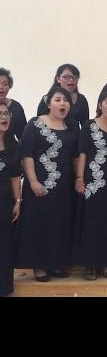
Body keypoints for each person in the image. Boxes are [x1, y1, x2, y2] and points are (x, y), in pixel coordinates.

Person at [15, 87, 80, 282]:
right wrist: (33, 181)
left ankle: (55, 263)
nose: (62, 104)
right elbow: (27, 154)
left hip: (64, 186)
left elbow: (76, 156)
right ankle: (39, 265)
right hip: (39, 184)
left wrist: (78, 178)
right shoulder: (35, 124)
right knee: (39, 224)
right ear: (49, 102)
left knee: (59, 224)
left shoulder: (72, 125)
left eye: (66, 100)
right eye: (58, 99)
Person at [74, 90, 107, 280]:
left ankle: (106, 263)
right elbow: (83, 153)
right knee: (91, 222)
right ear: (100, 104)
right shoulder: (89, 126)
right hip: (92, 181)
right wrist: (79, 177)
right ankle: (90, 265)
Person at [0, 102, 21, 296]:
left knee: (4, 245)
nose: (4, 117)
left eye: (6, 113)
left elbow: (15, 176)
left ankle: (4, 288)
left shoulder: (12, 145)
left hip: (5, 204)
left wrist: (17, 201)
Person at [36, 64, 89, 130]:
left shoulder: (81, 99)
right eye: (66, 77)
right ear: (58, 78)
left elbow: (85, 125)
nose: (71, 80)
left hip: (74, 137)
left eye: (75, 77)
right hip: (52, 137)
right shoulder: (46, 99)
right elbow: (39, 123)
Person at [0, 68, 27, 141]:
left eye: (5, 84)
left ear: (9, 86)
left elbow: (23, 136)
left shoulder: (16, 107)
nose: (1, 87)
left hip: (11, 149)